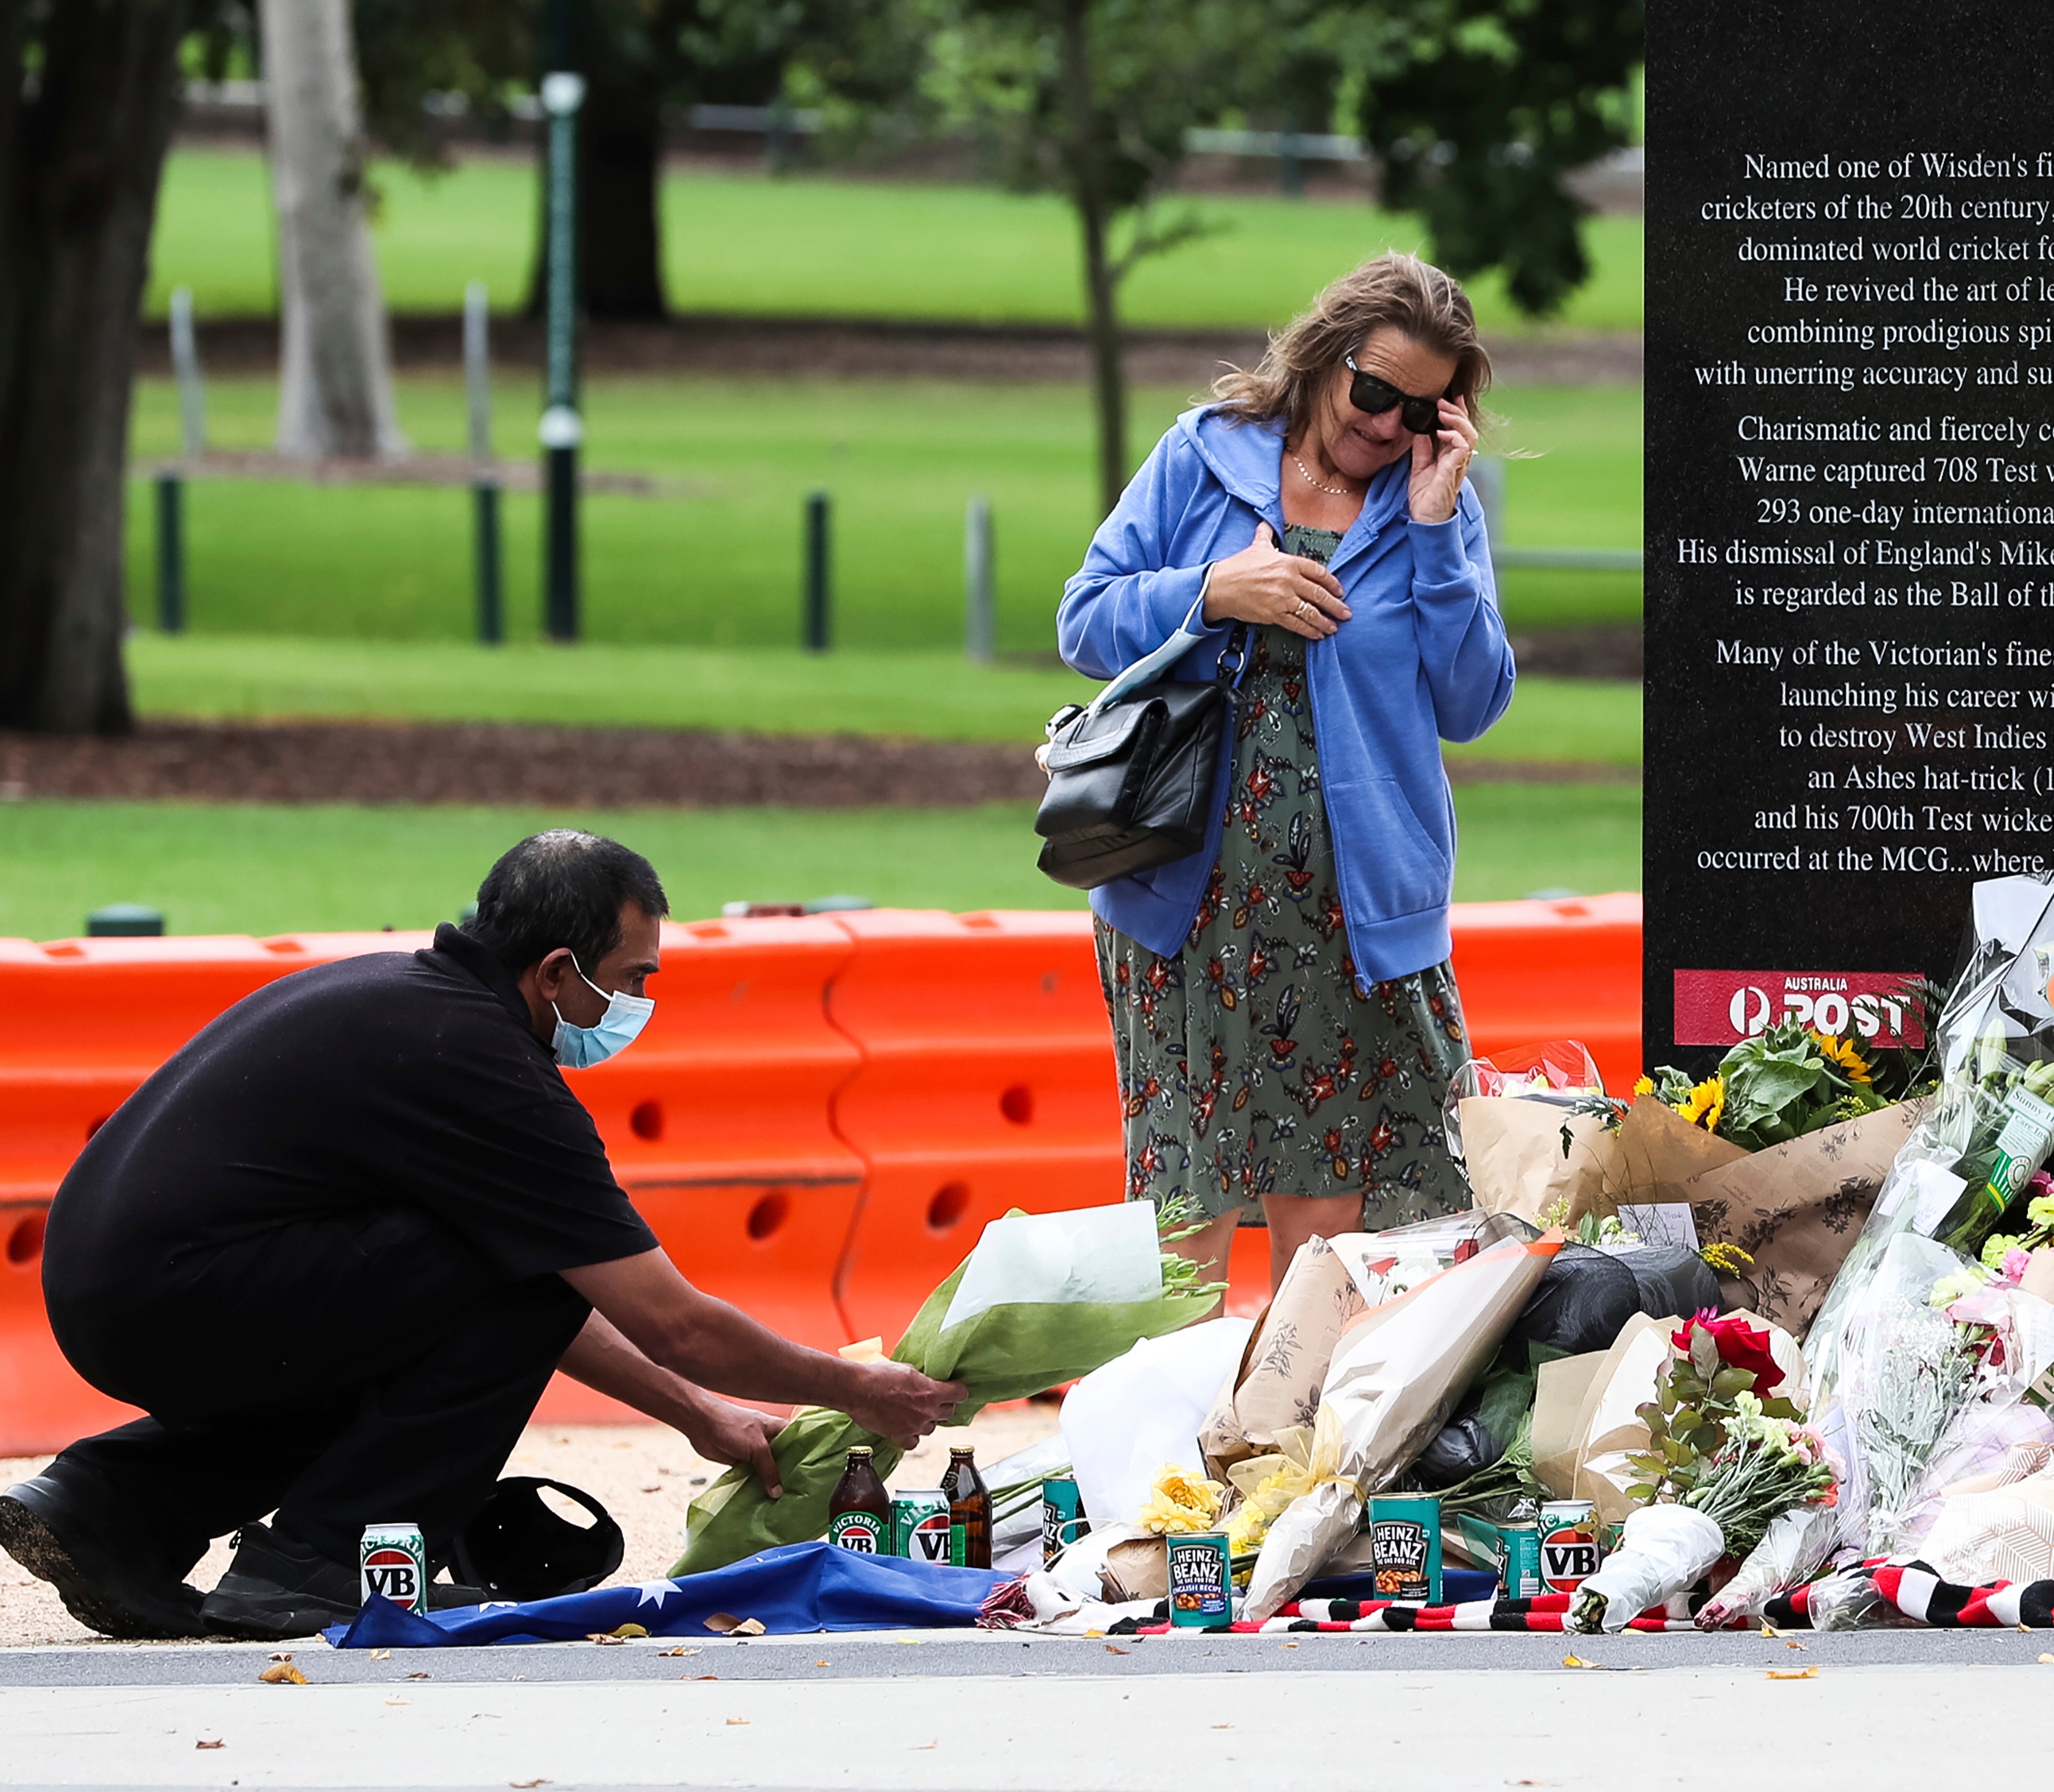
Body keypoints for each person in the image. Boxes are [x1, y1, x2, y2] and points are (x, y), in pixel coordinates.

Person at [0, 830, 965, 1639]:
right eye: (633, 979)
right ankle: (328, 1557)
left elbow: (477, 1292)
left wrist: (696, 1413)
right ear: (556, 972)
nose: (637, 1007)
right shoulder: (490, 1072)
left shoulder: (410, 1000)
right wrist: (854, 1388)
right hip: (178, 1296)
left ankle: (107, 1513)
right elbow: (670, 1320)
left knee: (442, 1307)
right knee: (532, 1271)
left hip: (120, 1289)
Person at [1059, 251, 1515, 1289]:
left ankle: (1291, 1449)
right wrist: (1218, 587)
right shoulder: (1202, 454)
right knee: (1183, 1212)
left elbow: (1474, 701)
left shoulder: (1431, 508)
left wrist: (1439, 530)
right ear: (1325, 358)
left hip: (1352, 918)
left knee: (1333, 1243)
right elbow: (1084, 617)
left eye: (1421, 410)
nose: (1388, 424)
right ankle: (1174, 1448)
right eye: (1375, 390)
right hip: (1179, 898)